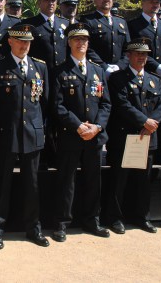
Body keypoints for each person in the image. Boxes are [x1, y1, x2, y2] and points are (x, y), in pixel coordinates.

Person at [0, 23, 49, 249]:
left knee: (33, 185)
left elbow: (45, 103)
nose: (24, 45)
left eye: (28, 42)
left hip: (32, 134)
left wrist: (40, 127)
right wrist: (0, 122)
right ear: (10, 41)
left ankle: (33, 228)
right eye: (20, 41)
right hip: (6, 135)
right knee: (2, 185)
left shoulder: (40, 67)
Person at [52, 22, 111, 242]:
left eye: (84, 40)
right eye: (77, 39)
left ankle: (92, 220)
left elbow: (106, 104)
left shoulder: (98, 71)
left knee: (93, 181)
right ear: (69, 43)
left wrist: (97, 127)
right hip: (71, 135)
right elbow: (56, 106)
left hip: (94, 136)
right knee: (66, 181)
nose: (81, 43)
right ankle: (62, 223)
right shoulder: (59, 71)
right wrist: (78, 125)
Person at [105, 38, 161, 234]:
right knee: (119, 181)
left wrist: (152, 124)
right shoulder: (117, 78)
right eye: (138, 54)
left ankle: (142, 217)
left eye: (145, 54)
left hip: (147, 137)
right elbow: (122, 105)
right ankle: (115, 218)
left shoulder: (154, 80)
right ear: (128, 55)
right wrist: (143, 121)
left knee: (143, 181)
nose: (141, 58)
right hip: (125, 137)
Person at [79, 0, 130, 75]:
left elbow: (128, 49)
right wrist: (104, 67)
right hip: (97, 72)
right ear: (95, 0)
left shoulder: (121, 22)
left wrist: (120, 65)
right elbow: (87, 48)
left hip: (120, 73)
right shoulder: (87, 21)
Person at [22, 0, 69, 69]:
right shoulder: (29, 24)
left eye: (53, 0)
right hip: (39, 73)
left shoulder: (65, 23)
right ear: (39, 3)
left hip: (62, 74)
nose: (51, 3)